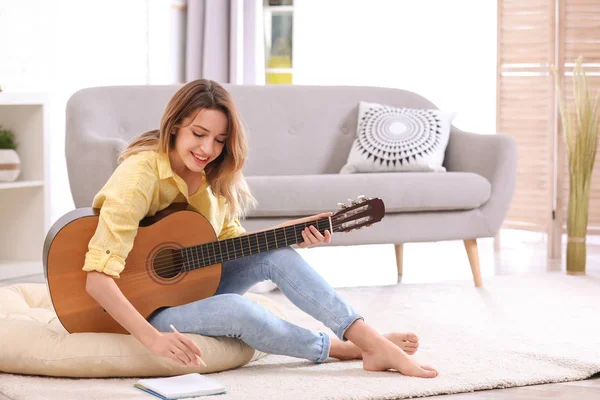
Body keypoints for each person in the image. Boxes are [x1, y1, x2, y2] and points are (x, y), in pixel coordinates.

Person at [83, 79, 438, 378]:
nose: (208, 148)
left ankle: (370, 341)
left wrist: (289, 232)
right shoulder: (138, 176)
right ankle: (345, 350)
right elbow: (96, 279)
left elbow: (229, 245)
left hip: (189, 285)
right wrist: (153, 340)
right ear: (174, 125)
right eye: (199, 133)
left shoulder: (211, 180)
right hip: (134, 309)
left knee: (276, 252)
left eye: (220, 140)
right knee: (241, 311)